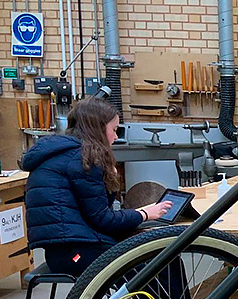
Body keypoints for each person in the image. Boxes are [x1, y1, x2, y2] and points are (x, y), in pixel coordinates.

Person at [23, 97, 172, 277]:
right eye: (114, 130)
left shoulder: (64, 153)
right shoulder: (83, 160)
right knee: (160, 261)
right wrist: (144, 214)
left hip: (63, 251)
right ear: (98, 129)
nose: (116, 137)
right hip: (78, 253)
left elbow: (94, 214)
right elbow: (103, 219)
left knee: (159, 253)